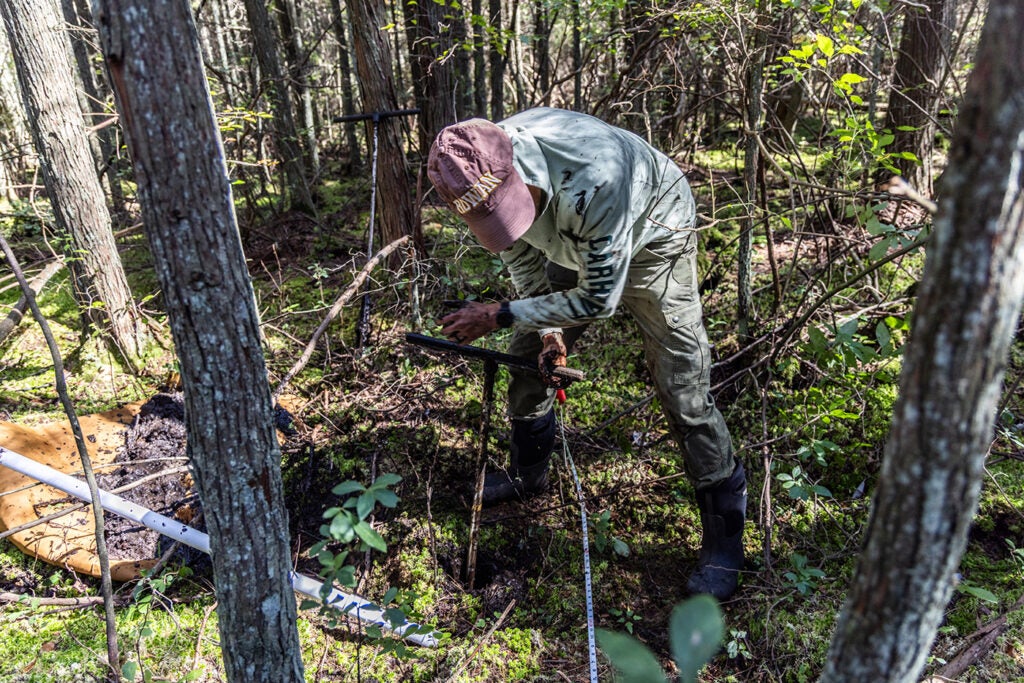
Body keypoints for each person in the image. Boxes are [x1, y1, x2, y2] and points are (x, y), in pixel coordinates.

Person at [426, 107, 746, 600]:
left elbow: (599, 298)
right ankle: (527, 473)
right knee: (529, 358)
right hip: (571, 237)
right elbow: (524, 262)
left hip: (652, 233)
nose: (502, 221)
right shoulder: (476, 170)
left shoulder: (598, 180)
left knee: (682, 388)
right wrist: (549, 329)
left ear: (517, 169)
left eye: (507, 206)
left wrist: (497, 314)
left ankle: (725, 542)